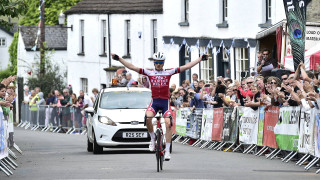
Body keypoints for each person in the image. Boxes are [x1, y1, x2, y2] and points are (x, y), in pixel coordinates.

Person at [112, 51, 208, 160]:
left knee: (168, 124)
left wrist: (200, 59)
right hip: (154, 102)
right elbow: (132, 67)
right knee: (148, 118)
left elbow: (186, 66)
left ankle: (167, 151)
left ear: (163, 63)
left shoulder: (168, 72)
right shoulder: (149, 72)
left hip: (165, 102)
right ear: (154, 63)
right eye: (157, 62)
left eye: (161, 63)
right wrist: (119, 58)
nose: (159, 64)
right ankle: (152, 139)